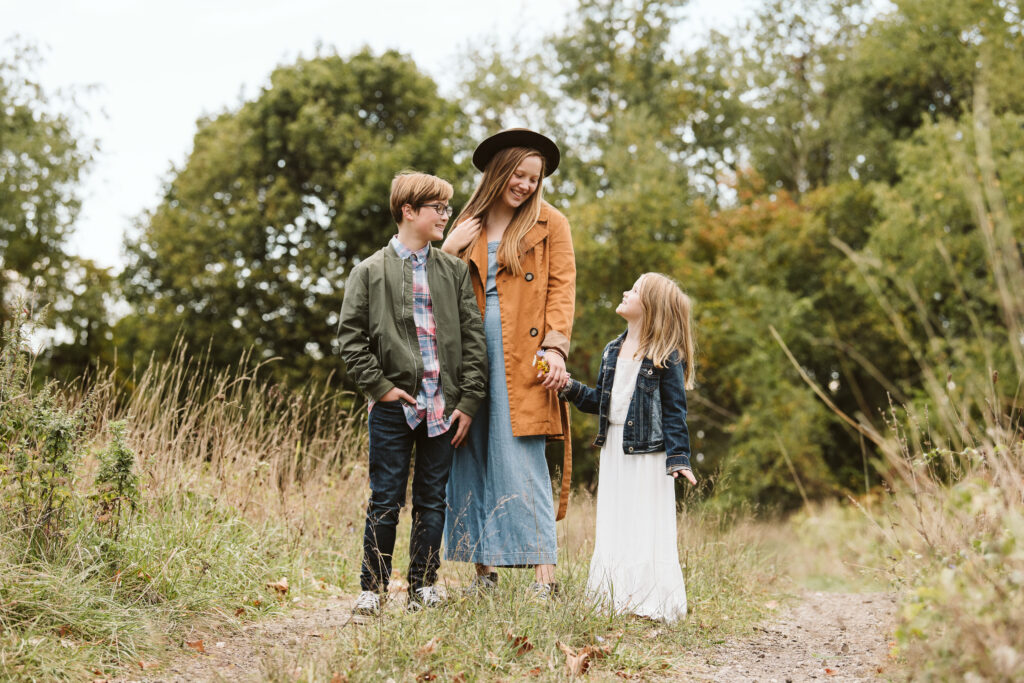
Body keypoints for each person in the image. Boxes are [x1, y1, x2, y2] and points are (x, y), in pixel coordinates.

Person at [339, 172, 487, 615]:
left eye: (446, 208)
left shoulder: (455, 272)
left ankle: (424, 585)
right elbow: (351, 341)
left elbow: (474, 340)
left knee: (432, 499)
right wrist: (381, 388)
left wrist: (469, 402)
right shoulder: (369, 272)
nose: (446, 215)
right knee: (385, 497)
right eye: (437, 208)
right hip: (392, 409)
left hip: (443, 407)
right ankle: (373, 587)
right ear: (408, 211)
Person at [441, 128, 576, 596]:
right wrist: (448, 250)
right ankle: (484, 574)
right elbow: (436, 289)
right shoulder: (467, 222)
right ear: (499, 172)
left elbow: (562, 288)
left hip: (526, 351)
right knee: (471, 453)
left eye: (534, 178)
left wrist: (556, 346)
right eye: (518, 174)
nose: (525, 184)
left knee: (521, 457)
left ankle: (545, 579)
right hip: (470, 349)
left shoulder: (550, 223)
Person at [558, 273, 697, 623]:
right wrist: (569, 386)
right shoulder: (612, 350)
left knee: (645, 522)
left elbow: (675, 413)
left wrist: (679, 459)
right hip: (615, 449)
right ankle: (615, 596)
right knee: (615, 520)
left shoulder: (666, 356)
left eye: (634, 290)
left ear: (649, 307)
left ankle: (650, 599)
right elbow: (601, 402)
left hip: (650, 454)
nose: (625, 291)